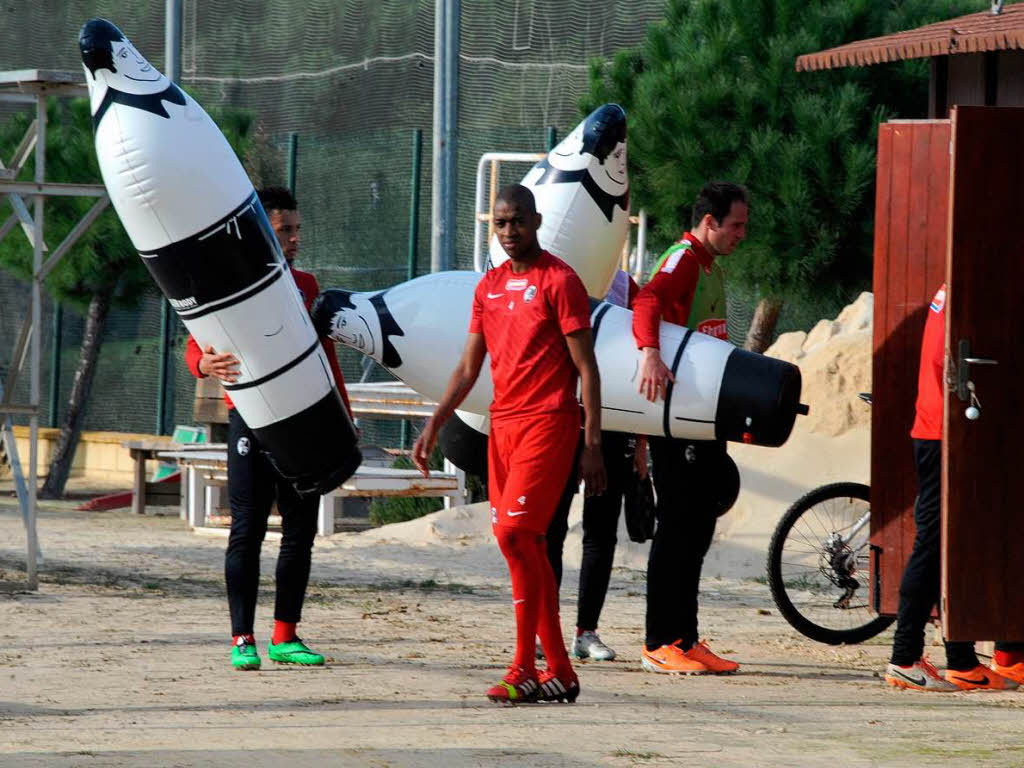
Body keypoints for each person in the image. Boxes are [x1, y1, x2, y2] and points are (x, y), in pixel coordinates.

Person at [413, 184, 606, 704]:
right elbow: (468, 365)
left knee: (520, 533)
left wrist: (593, 444)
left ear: (536, 221)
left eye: (517, 221)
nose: (508, 231)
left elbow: (588, 369)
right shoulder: (489, 287)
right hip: (504, 426)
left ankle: (524, 664)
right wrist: (436, 421)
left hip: (550, 423)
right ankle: (560, 669)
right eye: (500, 223)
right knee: (520, 544)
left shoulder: (561, 281)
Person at [185, 186, 353, 671]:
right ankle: (243, 639)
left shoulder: (307, 285)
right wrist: (204, 365)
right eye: (286, 230)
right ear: (263, 230)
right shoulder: (227, 283)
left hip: (307, 422)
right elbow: (196, 345)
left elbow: (326, 355)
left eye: (298, 229)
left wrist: (343, 417)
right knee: (248, 529)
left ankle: (286, 636)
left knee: (300, 533)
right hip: (251, 422)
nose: (296, 238)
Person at [631, 181, 747, 675]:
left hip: (703, 416)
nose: (743, 233)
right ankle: (659, 641)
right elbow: (647, 302)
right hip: (676, 418)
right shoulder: (681, 259)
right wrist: (650, 356)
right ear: (709, 222)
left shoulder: (709, 267)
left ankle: (687, 637)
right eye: (736, 225)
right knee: (677, 526)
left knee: (698, 526)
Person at [883, 283, 1022, 691]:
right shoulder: (970, 285)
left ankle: (964, 658)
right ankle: (905, 657)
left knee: (955, 544)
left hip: (942, 428)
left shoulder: (957, 284)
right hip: (947, 432)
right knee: (934, 544)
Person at [546, 270, 647, 662]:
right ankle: (546, 629)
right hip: (561, 421)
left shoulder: (626, 286)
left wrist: (640, 440)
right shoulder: (556, 277)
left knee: (601, 532)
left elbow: (639, 360)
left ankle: (586, 632)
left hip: (613, 424)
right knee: (551, 529)